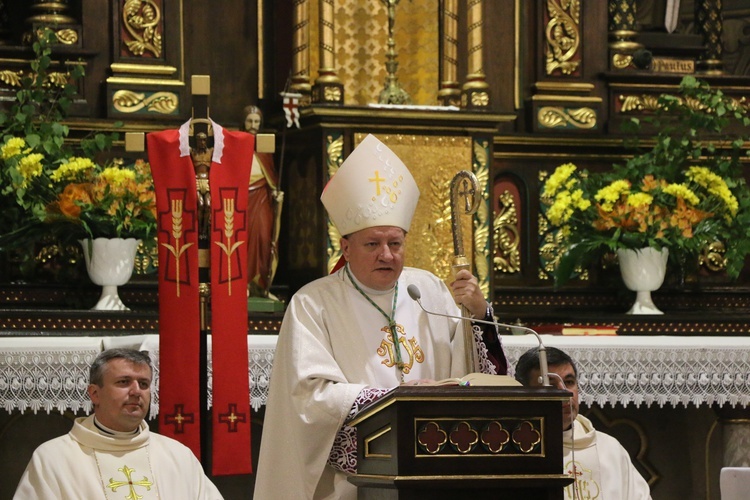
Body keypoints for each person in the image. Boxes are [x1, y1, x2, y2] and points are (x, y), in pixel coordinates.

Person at [254, 134, 508, 499]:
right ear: (345, 246)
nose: (386, 255)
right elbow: (309, 399)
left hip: (432, 466)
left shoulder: (430, 290)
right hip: (353, 481)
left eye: (396, 243)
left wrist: (480, 314)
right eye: (372, 244)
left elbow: (474, 372)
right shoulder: (313, 303)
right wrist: (394, 397)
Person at [14, 348, 223, 499]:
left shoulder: (178, 456)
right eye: (123, 382)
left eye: (143, 384)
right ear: (95, 393)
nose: (136, 391)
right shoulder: (53, 458)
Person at [515, 346, 651, 500]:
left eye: (569, 382)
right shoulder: (515, 452)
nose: (565, 392)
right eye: (551, 385)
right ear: (524, 393)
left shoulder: (609, 449)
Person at [241, 105, 282, 297]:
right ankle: (245, 283)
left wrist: (275, 193)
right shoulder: (238, 143)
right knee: (245, 239)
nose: (253, 125)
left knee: (264, 237)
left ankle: (262, 284)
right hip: (244, 198)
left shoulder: (264, 147)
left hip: (263, 197)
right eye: (250, 121)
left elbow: (271, 175)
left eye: (256, 122)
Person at [191, 131, 213, 239]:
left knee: (208, 205)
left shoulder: (210, 152)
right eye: (200, 140)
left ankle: (204, 230)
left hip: (207, 181)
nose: (202, 142)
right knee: (200, 204)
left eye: (204, 140)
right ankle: (199, 230)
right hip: (197, 181)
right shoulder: (192, 152)